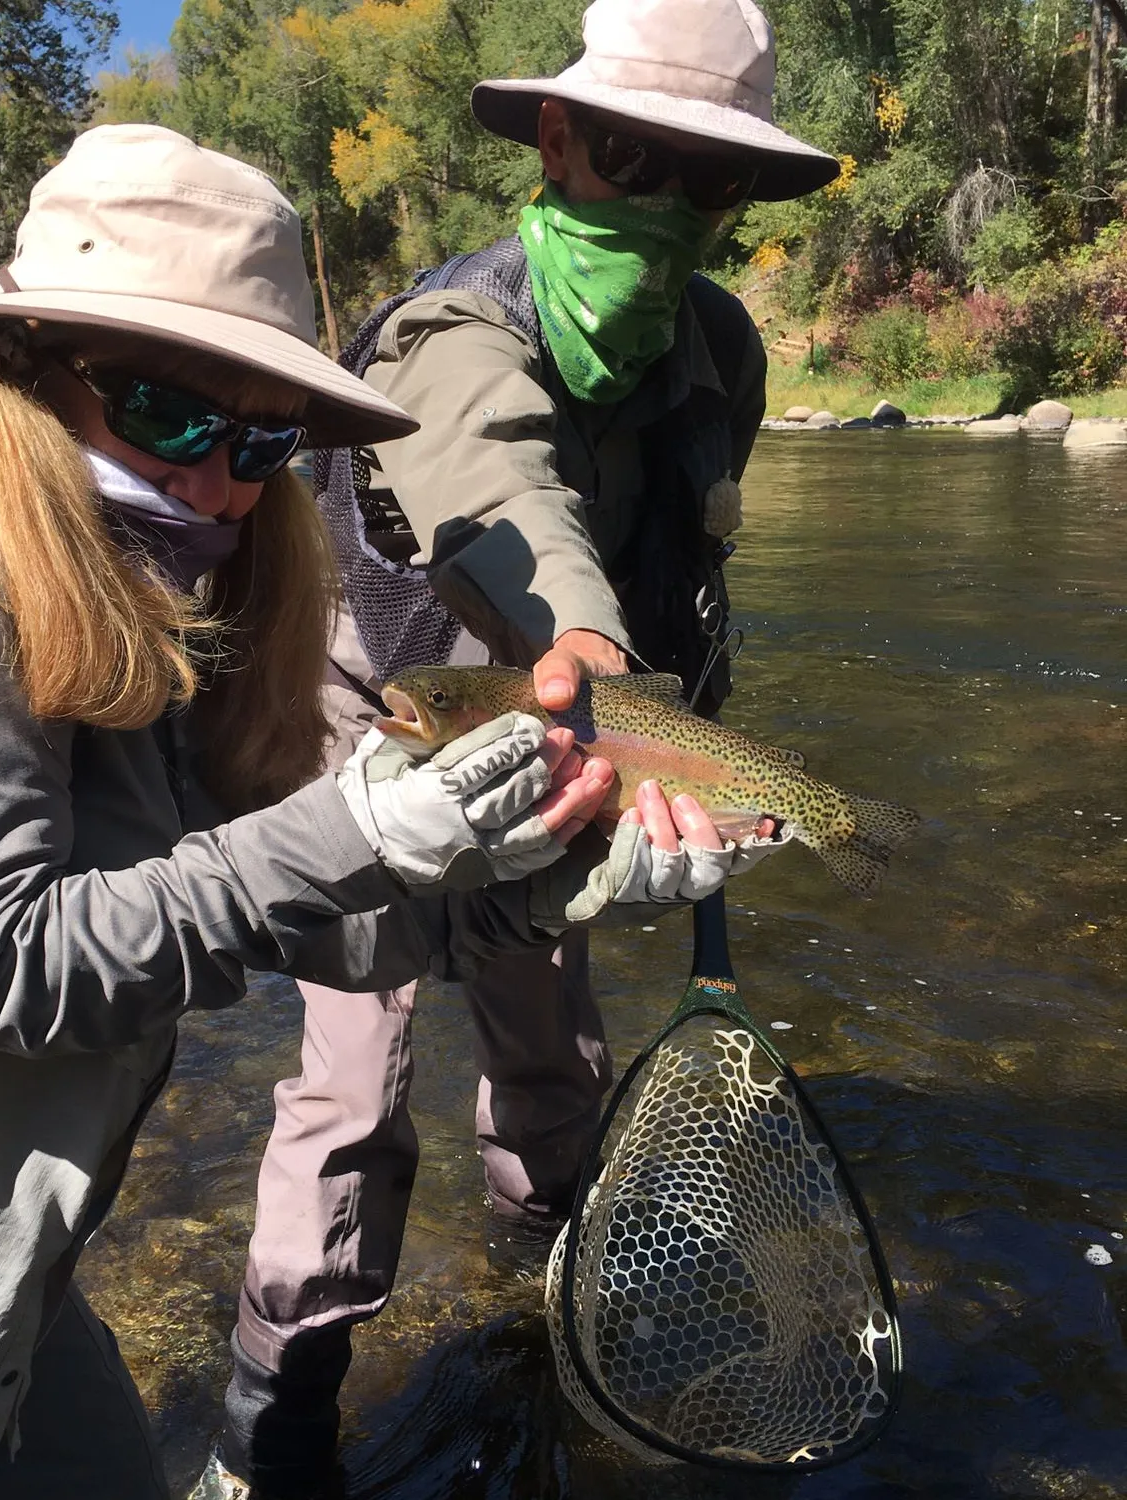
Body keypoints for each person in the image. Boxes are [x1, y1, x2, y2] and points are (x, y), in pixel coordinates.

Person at [0, 123, 734, 1500]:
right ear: (28, 371)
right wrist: (368, 832)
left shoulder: (144, 591)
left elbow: (285, 913)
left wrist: (527, 891)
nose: (216, 478)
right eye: (164, 411)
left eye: (265, 434)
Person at [198, 2, 837, 1495]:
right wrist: (592, 667)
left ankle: (549, 1291)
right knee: (353, 1081)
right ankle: (274, 1419)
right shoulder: (450, 333)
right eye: (642, 158)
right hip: (398, 719)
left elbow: (692, 553)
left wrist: (672, 752)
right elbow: (505, 503)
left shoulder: (722, 350)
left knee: (551, 1047)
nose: (678, 206)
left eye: (715, 179)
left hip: (587, 740)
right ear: (559, 138)